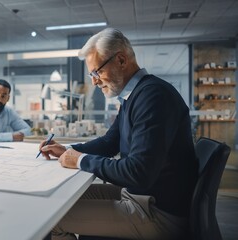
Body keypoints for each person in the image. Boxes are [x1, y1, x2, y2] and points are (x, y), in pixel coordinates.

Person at [40, 28, 198, 240]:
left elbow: (138, 172)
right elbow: (109, 143)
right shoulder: (134, 95)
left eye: (97, 72)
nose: (94, 81)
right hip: (141, 195)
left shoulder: (152, 97)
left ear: (121, 60)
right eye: (91, 74)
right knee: (62, 200)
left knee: (54, 220)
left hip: (157, 211)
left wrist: (80, 160)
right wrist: (68, 150)